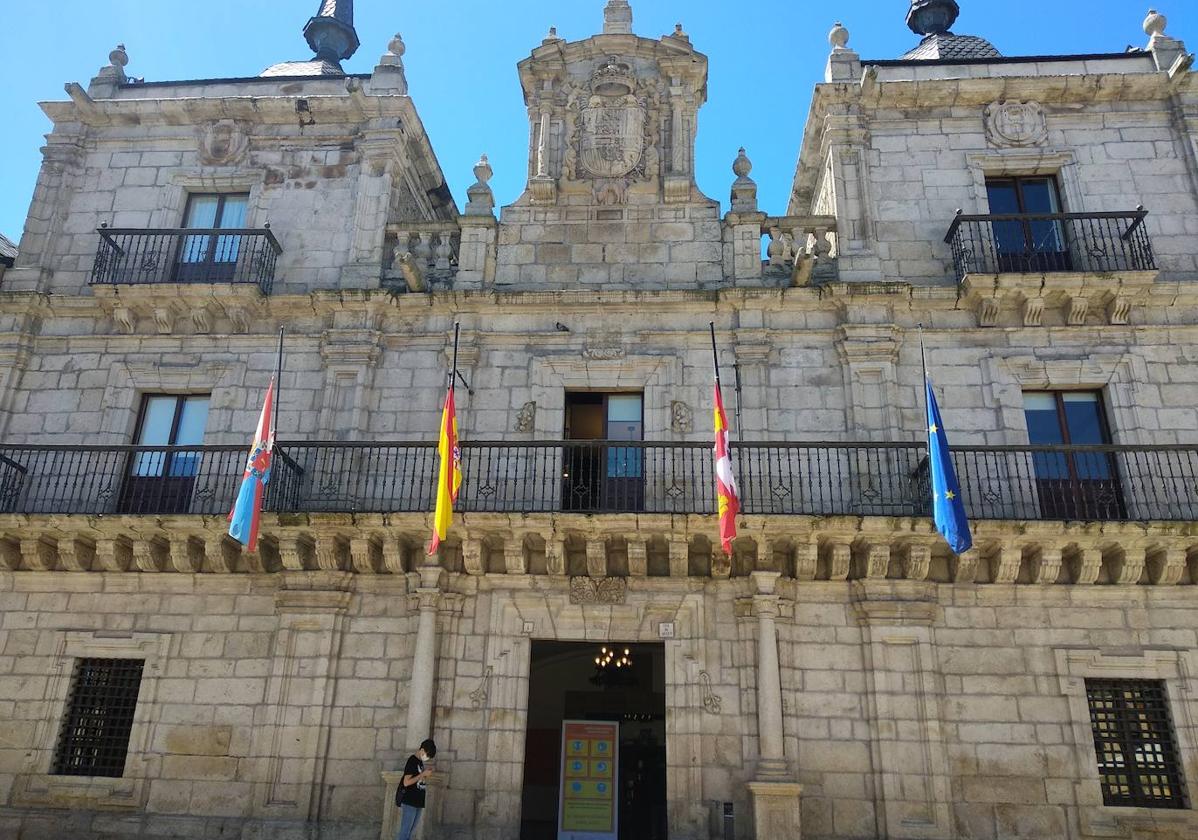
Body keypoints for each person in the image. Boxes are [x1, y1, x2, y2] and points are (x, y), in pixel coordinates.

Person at [395, 738, 437, 840]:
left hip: (417, 802)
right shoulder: (412, 761)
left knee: (411, 832)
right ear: (422, 750)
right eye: (427, 755)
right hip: (410, 801)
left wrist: (425, 775)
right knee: (405, 832)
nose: (427, 758)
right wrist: (423, 774)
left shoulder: (420, 763)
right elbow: (406, 782)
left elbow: (416, 779)